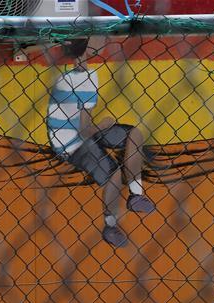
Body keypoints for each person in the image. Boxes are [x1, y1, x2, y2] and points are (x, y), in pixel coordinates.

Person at [47, 36, 156, 248]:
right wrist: (105, 125)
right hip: (69, 143)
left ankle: (136, 195)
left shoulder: (80, 75)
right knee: (113, 172)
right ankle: (110, 225)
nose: (105, 38)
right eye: (99, 35)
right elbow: (85, 130)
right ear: (86, 45)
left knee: (134, 134)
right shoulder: (83, 79)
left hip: (79, 132)